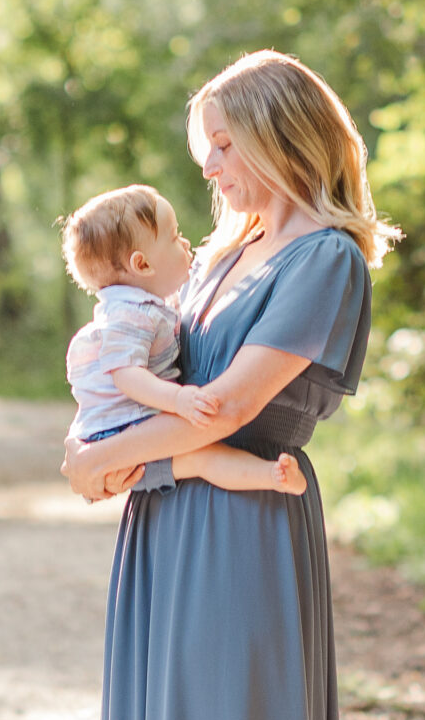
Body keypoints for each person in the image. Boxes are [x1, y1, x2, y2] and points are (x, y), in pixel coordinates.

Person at [62, 49, 394, 720]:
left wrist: (104, 460)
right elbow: (134, 373)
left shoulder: (326, 259)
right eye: (203, 149)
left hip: (247, 532)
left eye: (225, 146)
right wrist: (104, 453)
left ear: (281, 136)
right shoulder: (224, 249)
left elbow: (225, 409)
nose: (210, 169)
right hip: (167, 527)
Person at [59, 184, 308, 497]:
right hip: (122, 433)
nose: (186, 241)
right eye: (175, 237)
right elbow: (125, 374)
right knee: (204, 458)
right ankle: (272, 476)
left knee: (205, 458)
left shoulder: (149, 305)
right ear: (142, 264)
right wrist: (176, 400)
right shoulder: (127, 314)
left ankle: (272, 475)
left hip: (131, 430)